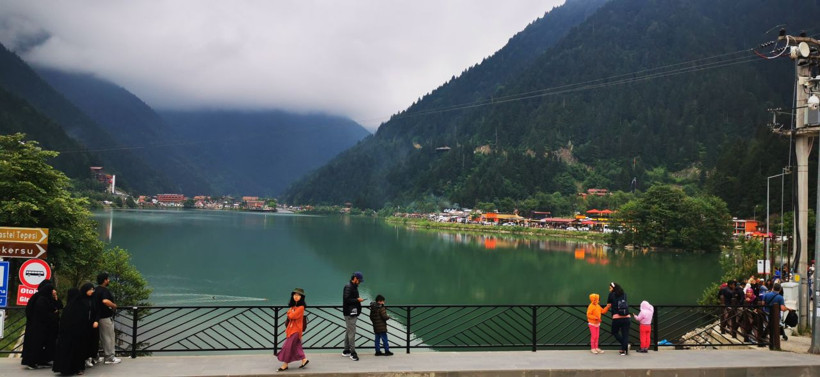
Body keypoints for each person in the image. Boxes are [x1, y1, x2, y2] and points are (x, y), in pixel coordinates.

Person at [53, 284, 98, 376]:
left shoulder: (68, 307)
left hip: (66, 335)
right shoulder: (81, 305)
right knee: (78, 351)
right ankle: (78, 368)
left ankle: (64, 368)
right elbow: (84, 319)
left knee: (66, 351)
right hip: (79, 334)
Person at [21, 279, 62, 369]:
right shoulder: (39, 298)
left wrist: (55, 298)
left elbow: (59, 306)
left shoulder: (47, 297)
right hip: (37, 326)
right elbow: (40, 312)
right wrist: (53, 313)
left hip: (46, 326)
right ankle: (32, 362)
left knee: (44, 344)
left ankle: (42, 360)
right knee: (36, 344)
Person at [277, 288, 309, 371]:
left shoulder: (301, 307)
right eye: (295, 295)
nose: (296, 296)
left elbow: (292, 316)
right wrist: (290, 312)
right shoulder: (294, 306)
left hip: (296, 330)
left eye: (298, 295)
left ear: (302, 297)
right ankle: (304, 359)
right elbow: (289, 314)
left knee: (287, 347)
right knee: (297, 346)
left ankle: (285, 364)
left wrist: (290, 312)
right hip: (291, 329)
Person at [94, 273, 121, 365]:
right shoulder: (104, 290)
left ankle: (95, 357)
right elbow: (105, 301)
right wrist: (114, 305)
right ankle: (109, 358)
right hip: (105, 318)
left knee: (97, 338)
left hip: (96, 318)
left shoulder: (95, 290)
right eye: (108, 279)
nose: (109, 280)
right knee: (108, 337)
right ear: (104, 280)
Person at [342, 271, 365, 361]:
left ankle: (346, 350)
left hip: (352, 312)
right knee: (352, 332)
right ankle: (353, 353)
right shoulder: (348, 286)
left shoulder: (353, 286)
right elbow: (347, 299)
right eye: (359, 280)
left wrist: (357, 300)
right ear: (355, 278)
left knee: (349, 330)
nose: (360, 282)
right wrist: (357, 300)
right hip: (349, 313)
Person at [605, 282, 631, 355]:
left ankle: (625, 345)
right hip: (627, 317)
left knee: (614, 332)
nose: (609, 289)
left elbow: (608, 304)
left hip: (617, 317)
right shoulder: (624, 294)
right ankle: (624, 350)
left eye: (610, 288)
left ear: (613, 288)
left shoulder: (611, 295)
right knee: (625, 334)